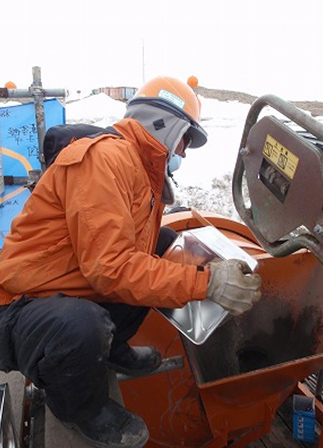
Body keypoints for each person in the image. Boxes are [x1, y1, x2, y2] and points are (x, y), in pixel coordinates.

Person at [0, 76, 262, 448]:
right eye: (186, 140)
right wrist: (207, 283)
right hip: (16, 308)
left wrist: (195, 266)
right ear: (164, 124)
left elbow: (135, 258)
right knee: (81, 325)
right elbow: (111, 271)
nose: (184, 153)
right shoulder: (105, 161)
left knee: (162, 245)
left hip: (58, 287)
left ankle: (113, 347)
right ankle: (79, 409)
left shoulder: (139, 170)